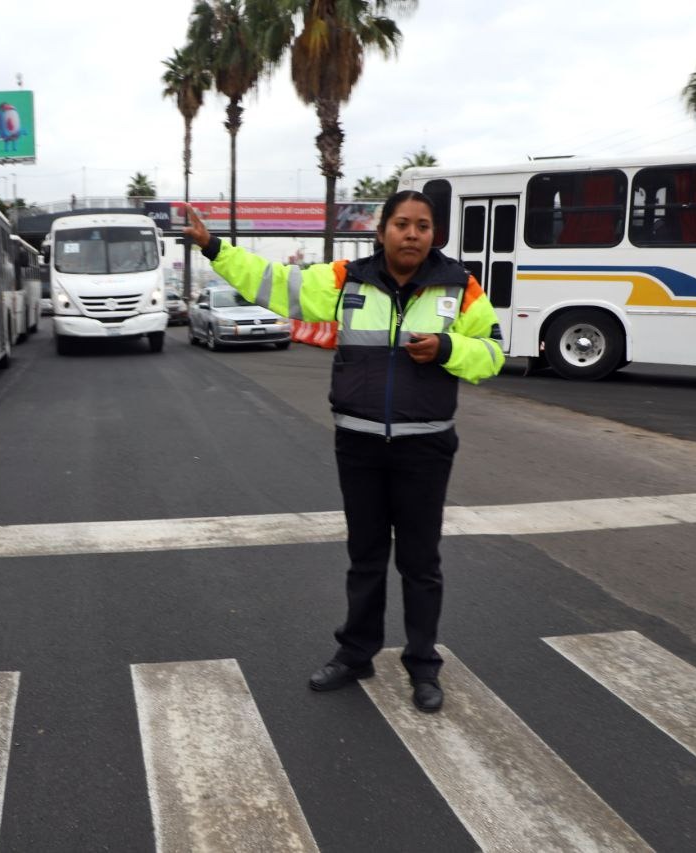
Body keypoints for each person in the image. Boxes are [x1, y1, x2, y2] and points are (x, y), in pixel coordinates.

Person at [183, 192, 504, 713]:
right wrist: (215, 247)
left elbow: (492, 354)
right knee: (366, 557)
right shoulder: (346, 279)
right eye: (402, 224)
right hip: (358, 444)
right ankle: (357, 653)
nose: (412, 234)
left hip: (426, 448)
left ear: (434, 235)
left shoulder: (461, 288)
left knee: (421, 563)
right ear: (383, 232)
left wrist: (448, 349)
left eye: (423, 226)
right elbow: (276, 284)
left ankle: (423, 664)